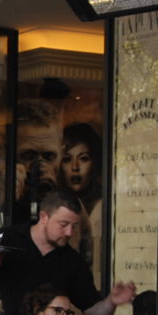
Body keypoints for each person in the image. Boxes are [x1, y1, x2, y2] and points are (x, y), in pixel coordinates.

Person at [0, 188, 134, 315]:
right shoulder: (6, 238)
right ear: (44, 217)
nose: (69, 232)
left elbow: (93, 312)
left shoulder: (72, 261)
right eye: (63, 224)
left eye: (74, 226)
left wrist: (111, 302)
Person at [59, 121, 106, 285]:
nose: (75, 167)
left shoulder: (105, 206)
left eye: (83, 159)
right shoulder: (55, 204)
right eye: (67, 159)